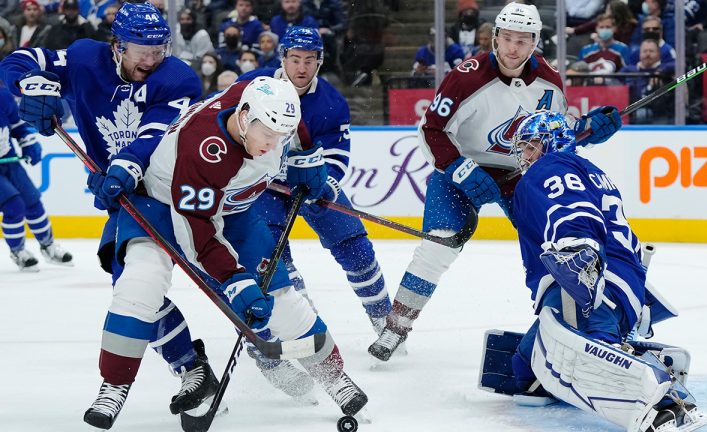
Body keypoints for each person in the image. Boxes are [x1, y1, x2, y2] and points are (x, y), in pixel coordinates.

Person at [0, 3, 215, 429]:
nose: (152, 60)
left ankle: (215, 361)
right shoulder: (84, 57)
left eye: (160, 49)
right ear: (117, 46)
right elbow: (18, 61)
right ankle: (191, 367)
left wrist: (121, 167)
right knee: (131, 287)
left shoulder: (178, 78)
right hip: (128, 198)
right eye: (142, 51)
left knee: (146, 285)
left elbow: (153, 136)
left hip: (173, 189)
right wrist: (32, 87)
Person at [368, 2, 622, 362]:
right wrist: (459, 168)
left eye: (522, 40)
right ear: (495, 37)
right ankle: (395, 328)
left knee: (555, 243)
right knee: (438, 247)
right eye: (506, 38)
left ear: (535, 41)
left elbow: (553, 134)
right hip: (460, 171)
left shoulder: (549, 80)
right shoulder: (466, 76)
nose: (512, 48)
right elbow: (431, 130)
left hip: (520, 174)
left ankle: (576, 322)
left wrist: (587, 130)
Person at [136, 75, 369, 417]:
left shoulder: (264, 108)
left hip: (237, 210)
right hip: (181, 216)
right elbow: (197, 232)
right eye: (268, 135)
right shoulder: (203, 150)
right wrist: (233, 278)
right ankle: (271, 367)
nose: (274, 143)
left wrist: (304, 161)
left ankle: (333, 377)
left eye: (282, 136)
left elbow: (286, 130)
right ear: (244, 117)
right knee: (241, 299)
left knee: (283, 300)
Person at [478, 110, 704, 431]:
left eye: (530, 146)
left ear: (551, 142)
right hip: (620, 283)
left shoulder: (549, 167)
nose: (524, 156)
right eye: (522, 148)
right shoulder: (590, 170)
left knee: (599, 354)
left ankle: (668, 402)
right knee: (523, 372)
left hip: (589, 283)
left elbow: (573, 210)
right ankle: (626, 357)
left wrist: (578, 251)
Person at [238, 25, 393, 387]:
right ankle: (300, 329)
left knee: (355, 246)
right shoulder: (253, 85)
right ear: (283, 59)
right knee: (275, 261)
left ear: (320, 62)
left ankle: (384, 321)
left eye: (309, 60)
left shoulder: (332, 102)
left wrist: (321, 184)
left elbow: (338, 157)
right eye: (295, 59)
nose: (302, 67)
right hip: (264, 186)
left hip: (312, 185)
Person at [0, 85, 72, 271]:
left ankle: (48, 247)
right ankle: (18, 251)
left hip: (9, 162)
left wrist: (28, 143)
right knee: (14, 205)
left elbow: (17, 126)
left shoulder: (3, 96)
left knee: (33, 202)